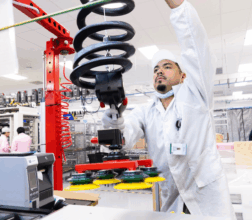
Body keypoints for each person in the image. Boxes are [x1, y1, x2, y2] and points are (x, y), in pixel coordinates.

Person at [101, 0, 235, 218]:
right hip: (170, 196)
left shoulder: (196, 94)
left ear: (183, 76)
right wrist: (114, 118)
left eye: (167, 66)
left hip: (206, 195)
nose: (159, 71)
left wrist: (179, 7)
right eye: (155, 69)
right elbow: (125, 135)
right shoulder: (146, 111)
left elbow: (196, 48)